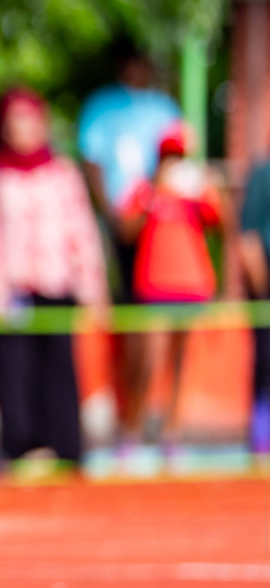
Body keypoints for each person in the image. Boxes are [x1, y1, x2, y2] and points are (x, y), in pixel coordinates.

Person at [0, 89, 109, 472]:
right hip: (8, 291)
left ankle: (65, 448)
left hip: (56, 286)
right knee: (13, 368)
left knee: (60, 367)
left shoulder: (62, 171)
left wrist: (92, 284)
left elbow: (81, 230)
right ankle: (19, 448)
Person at [77, 40, 184, 442]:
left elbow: (178, 166)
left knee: (165, 326)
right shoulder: (102, 108)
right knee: (132, 322)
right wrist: (113, 215)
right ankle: (130, 415)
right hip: (124, 227)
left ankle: (163, 417)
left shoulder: (163, 109)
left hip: (161, 231)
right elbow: (94, 163)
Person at [115, 125, 223, 461]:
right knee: (147, 361)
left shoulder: (195, 189)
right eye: (171, 155)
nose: (176, 162)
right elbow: (125, 231)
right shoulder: (146, 188)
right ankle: (132, 431)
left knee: (178, 363)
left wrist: (204, 187)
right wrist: (153, 196)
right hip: (153, 284)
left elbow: (220, 221)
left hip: (191, 284)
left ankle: (171, 433)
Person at [238, 156, 270, 464]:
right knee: (266, 354)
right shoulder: (262, 174)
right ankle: (263, 430)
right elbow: (248, 232)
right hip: (266, 278)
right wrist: (258, 279)